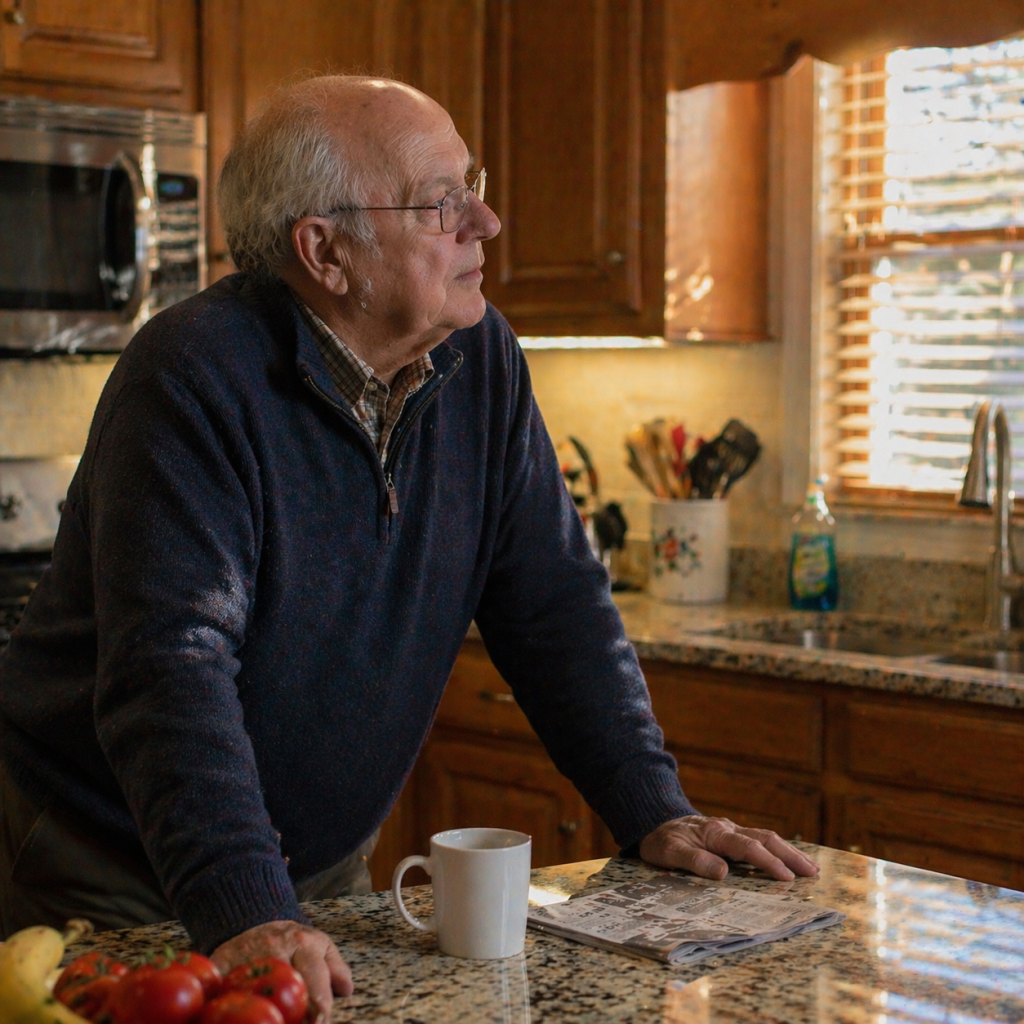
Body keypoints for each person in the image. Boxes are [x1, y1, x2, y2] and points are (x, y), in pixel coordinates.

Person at [0, 75, 817, 1018]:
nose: (488, 221)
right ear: (326, 252)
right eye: (441, 202)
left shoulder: (482, 360)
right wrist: (248, 908)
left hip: (309, 866)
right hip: (108, 858)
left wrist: (655, 809)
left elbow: (554, 603)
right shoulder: (190, 376)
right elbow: (170, 670)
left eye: (473, 184)